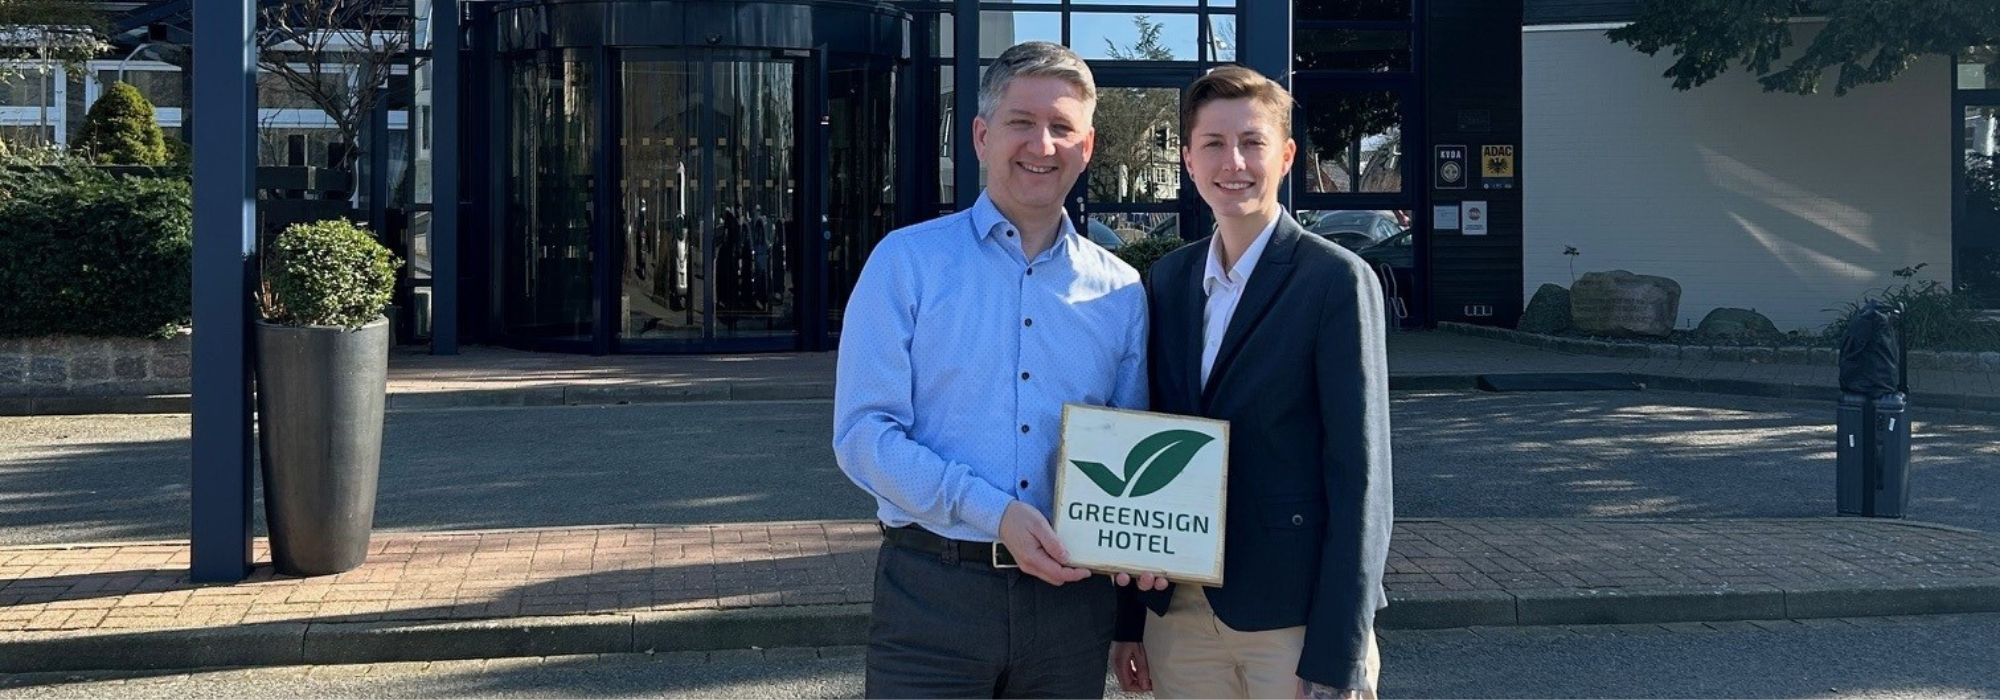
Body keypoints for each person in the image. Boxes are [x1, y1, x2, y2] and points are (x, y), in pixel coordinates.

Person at [831, 41, 1148, 699]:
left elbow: (1129, 450)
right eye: (1021, 122)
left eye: (1062, 127)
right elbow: (864, 437)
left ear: (1087, 147)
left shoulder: (1121, 290)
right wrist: (995, 512)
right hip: (933, 597)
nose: (1042, 144)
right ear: (981, 136)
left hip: (1071, 607)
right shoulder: (906, 264)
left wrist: (1135, 600)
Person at [1109, 65, 1393, 700]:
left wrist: (1340, 652)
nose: (1232, 162)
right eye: (1213, 143)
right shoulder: (1169, 280)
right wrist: (1128, 622)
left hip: (1292, 622)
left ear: (1286, 156)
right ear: (1188, 160)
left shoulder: (1335, 280)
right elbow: (1147, 441)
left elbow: (1361, 476)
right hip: (1179, 619)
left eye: (1252, 142)